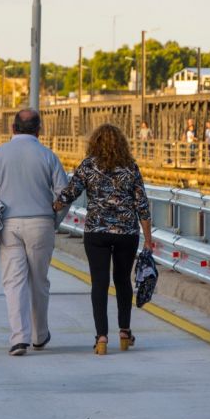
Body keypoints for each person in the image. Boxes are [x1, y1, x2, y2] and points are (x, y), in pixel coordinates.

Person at [53, 124, 152, 355]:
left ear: (94, 142)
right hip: (126, 233)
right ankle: (125, 332)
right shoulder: (130, 167)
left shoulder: (89, 165)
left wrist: (52, 207)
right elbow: (142, 205)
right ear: (121, 143)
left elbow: (70, 193)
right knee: (122, 281)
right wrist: (148, 239)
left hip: (96, 232)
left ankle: (102, 338)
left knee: (99, 282)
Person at [0, 109, 68, 356]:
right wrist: (54, 221)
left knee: (13, 282)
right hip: (41, 223)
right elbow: (64, 194)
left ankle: (19, 339)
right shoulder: (48, 155)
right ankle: (39, 336)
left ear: (13, 129)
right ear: (39, 130)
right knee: (39, 281)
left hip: (8, 224)